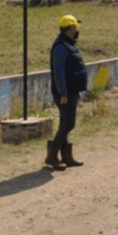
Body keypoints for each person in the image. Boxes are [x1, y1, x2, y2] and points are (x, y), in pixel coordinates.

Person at [46, 14, 88, 171]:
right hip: (65, 93)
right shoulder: (61, 47)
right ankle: (52, 155)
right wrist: (63, 93)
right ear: (68, 29)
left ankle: (66, 157)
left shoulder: (68, 44)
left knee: (65, 123)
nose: (77, 31)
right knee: (68, 124)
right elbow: (59, 72)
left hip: (71, 91)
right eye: (75, 28)